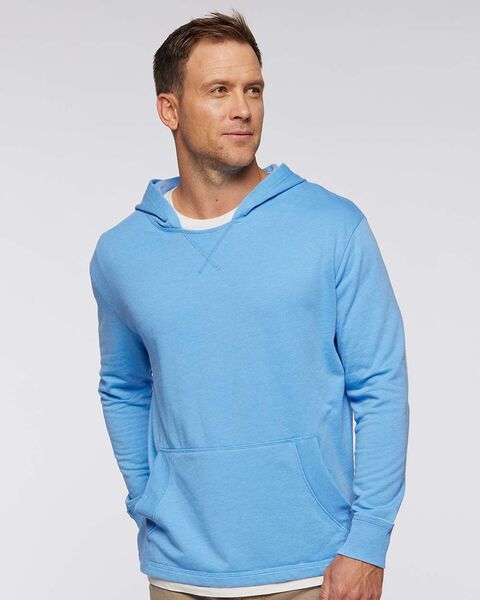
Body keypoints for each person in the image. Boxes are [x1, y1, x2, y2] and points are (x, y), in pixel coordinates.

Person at [89, 9, 409, 600]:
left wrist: (369, 540)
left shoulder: (332, 226)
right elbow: (123, 386)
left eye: (253, 89)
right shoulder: (122, 253)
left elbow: (381, 386)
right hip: (178, 570)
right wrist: (149, 496)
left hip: (314, 568)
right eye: (219, 90)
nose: (243, 108)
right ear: (169, 109)